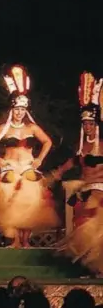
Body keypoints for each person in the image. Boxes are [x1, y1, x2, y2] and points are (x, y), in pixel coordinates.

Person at [0, 64, 58, 248]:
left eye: (22, 110)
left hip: (27, 165)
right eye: (16, 109)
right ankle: (14, 239)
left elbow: (48, 142)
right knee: (8, 197)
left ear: (26, 111)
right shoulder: (4, 128)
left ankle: (26, 240)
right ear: (12, 110)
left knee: (30, 200)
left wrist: (39, 159)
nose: (19, 113)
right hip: (9, 166)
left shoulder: (32, 128)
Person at [51, 72, 103, 274]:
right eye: (85, 124)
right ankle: (92, 266)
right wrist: (55, 174)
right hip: (85, 187)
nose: (88, 126)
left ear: (96, 124)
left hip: (100, 189)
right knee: (83, 223)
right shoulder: (82, 146)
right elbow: (73, 161)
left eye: (91, 123)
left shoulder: (101, 145)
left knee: (94, 219)